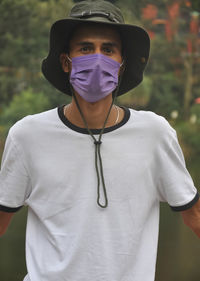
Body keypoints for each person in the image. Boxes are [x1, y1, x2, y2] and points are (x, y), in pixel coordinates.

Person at [0, 1, 199, 280]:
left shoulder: (155, 133)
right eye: (85, 48)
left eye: (108, 50)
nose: (97, 58)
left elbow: (194, 216)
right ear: (65, 61)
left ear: (120, 65)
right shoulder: (27, 136)